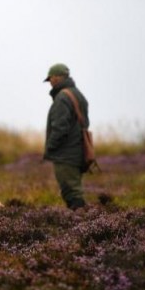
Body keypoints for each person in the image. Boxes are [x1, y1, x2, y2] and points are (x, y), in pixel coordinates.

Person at [43, 63, 90, 210]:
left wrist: (50, 147)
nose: (50, 82)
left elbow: (60, 128)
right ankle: (81, 223)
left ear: (57, 78)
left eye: (50, 78)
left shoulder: (62, 98)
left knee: (71, 192)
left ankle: (81, 223)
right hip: (78, 151)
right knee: (73, 189)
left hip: (66, 155)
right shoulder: (78, 94)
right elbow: (85, 123)